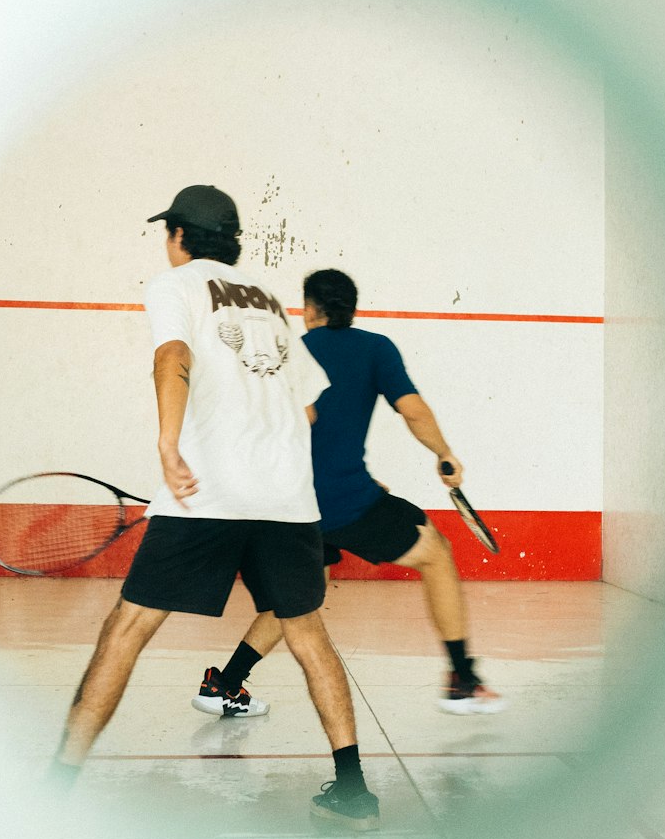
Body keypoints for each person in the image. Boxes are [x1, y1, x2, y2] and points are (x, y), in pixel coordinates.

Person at [49, 188, 380, 831]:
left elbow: (172, 357)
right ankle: (353, 790)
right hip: (286, 500)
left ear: (178, 235)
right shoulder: (270, 304)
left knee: (128, 629)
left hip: (208, 495)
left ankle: (56, 784)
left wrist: (170, 444)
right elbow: (309, 404)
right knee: (308, 634)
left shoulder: (174, 285)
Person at [194, 268, 505, 719]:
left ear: (310, 309)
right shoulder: (376, 348)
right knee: (435, 551)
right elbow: (413, 411)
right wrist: (445, 455)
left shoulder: (288, 352)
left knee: (301, 594)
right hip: (344, 502)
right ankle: (461, 680)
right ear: (351, 309)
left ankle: (223, 684)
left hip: (292, 505)